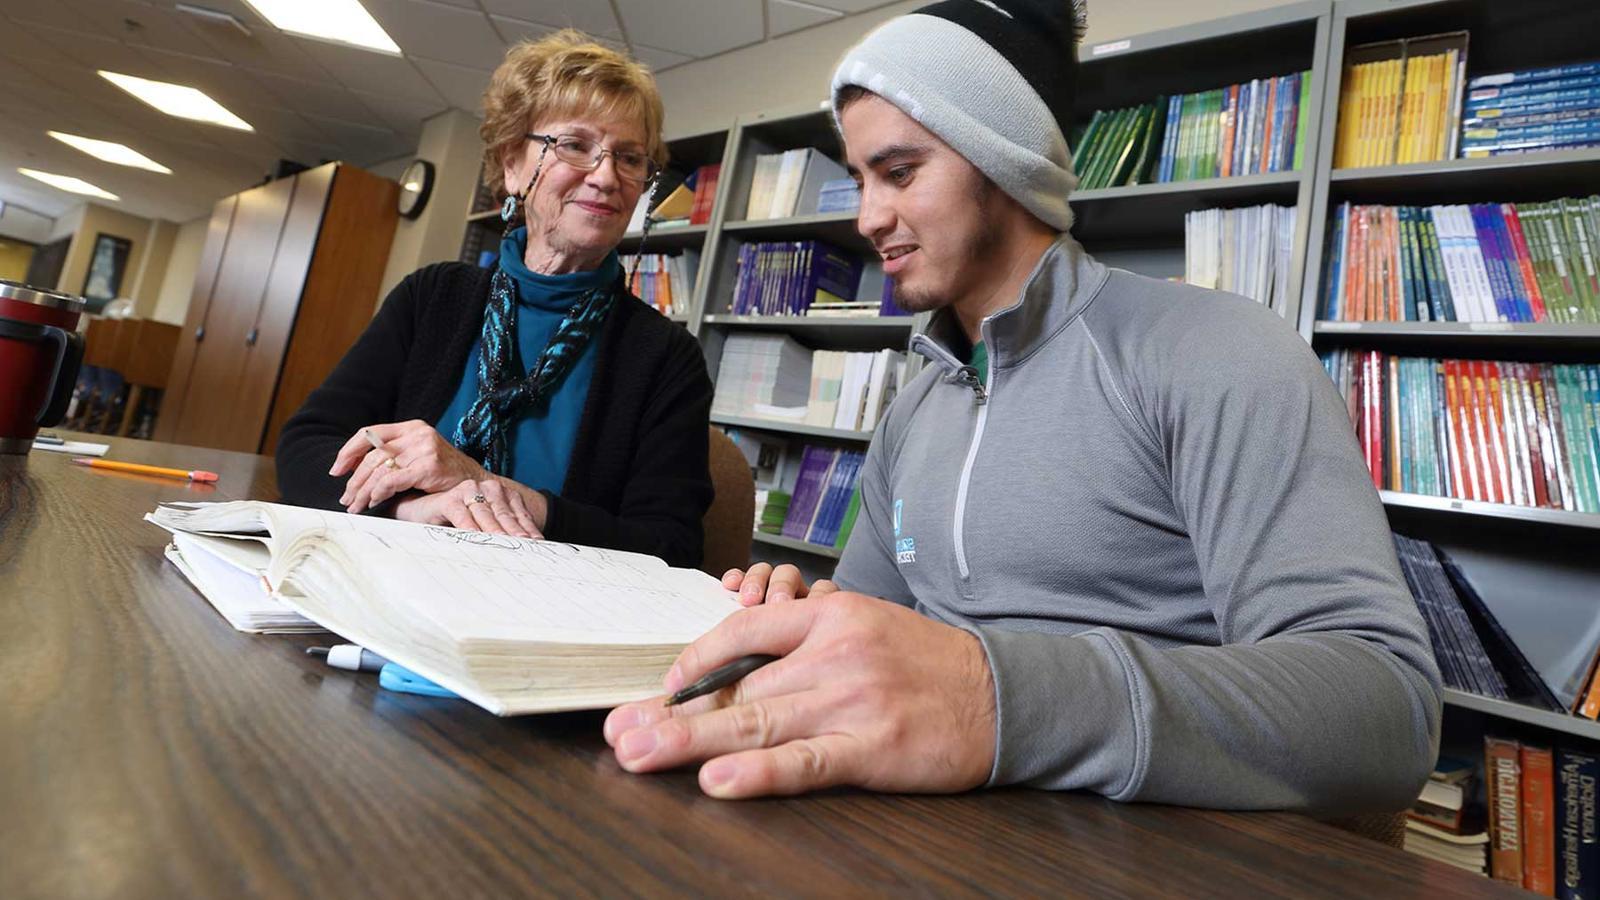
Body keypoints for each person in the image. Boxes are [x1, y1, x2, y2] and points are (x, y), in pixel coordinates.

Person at [603, 0, 1442, 812]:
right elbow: (870, 620)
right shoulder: (916, 399)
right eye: (861, 178)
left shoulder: (1216, 351)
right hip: (917, 825)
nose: (867, 217)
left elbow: (1384, 713)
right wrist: (794, 621)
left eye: (899, 172)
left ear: (1004, 159)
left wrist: (992, 698)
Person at [276, 30, 713, 568]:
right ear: (512, 164)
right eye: (575, 145)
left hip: (550, 615)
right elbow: (304, 449)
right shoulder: (432, 298)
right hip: (392, 577)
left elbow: (671, 547)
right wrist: (414, 511)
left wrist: (488, 486)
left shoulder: (665, 356)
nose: (606, 177)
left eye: (629, 158)